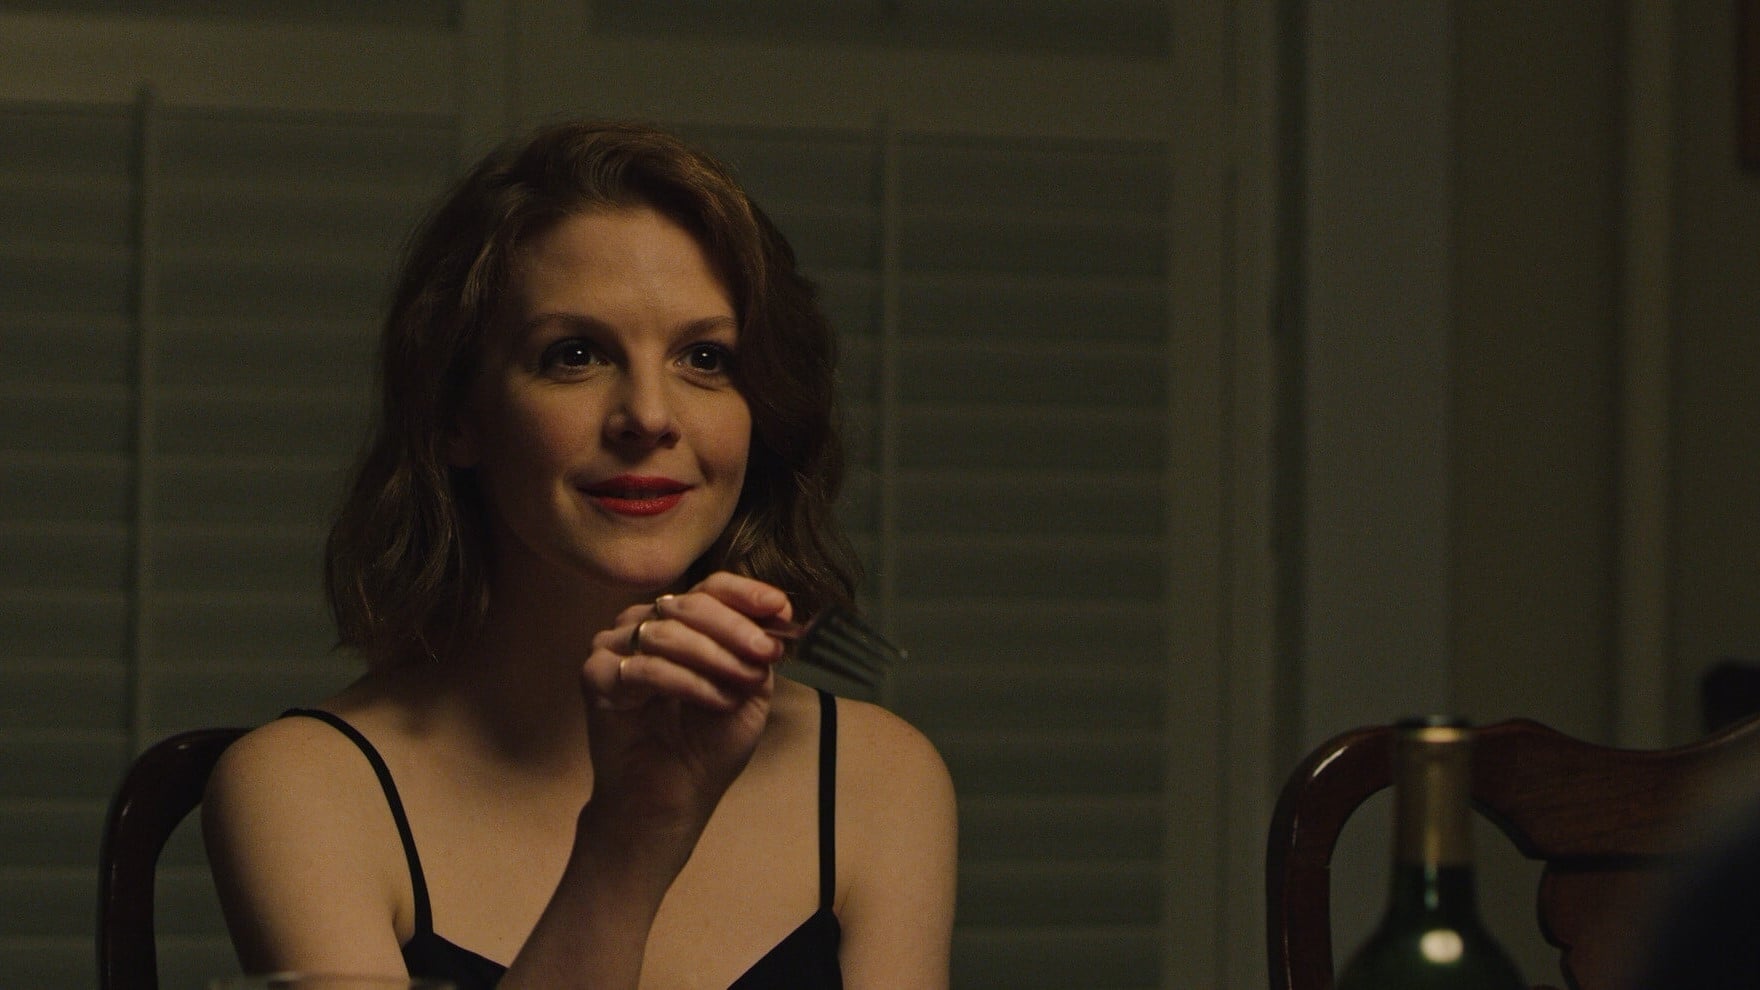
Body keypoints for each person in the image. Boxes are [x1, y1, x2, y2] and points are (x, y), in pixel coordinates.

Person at [200, 121, 958, 990]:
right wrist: (631, 836)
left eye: (704, 358)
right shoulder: (306, 787)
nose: (649, 416)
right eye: (576, 355)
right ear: (457, 415)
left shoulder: (880, 778)